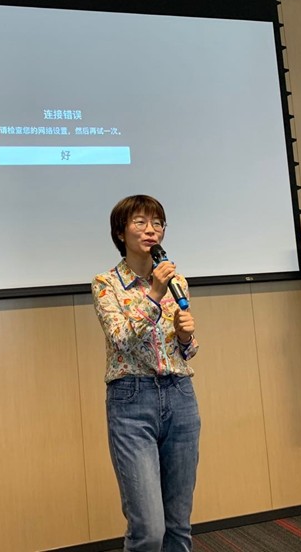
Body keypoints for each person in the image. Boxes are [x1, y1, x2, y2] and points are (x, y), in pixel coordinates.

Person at [91, 194, 201, 552]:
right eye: (140, 222)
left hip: (180, 395)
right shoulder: (106, 283)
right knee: (149, 530)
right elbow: (121, 340)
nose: (151, 230)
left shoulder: (177, 281)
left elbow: (185, 352)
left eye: (157, 223)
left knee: (178, 526)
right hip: (132, 400)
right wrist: (154, 293)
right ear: (120, 232)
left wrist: (185, 338)